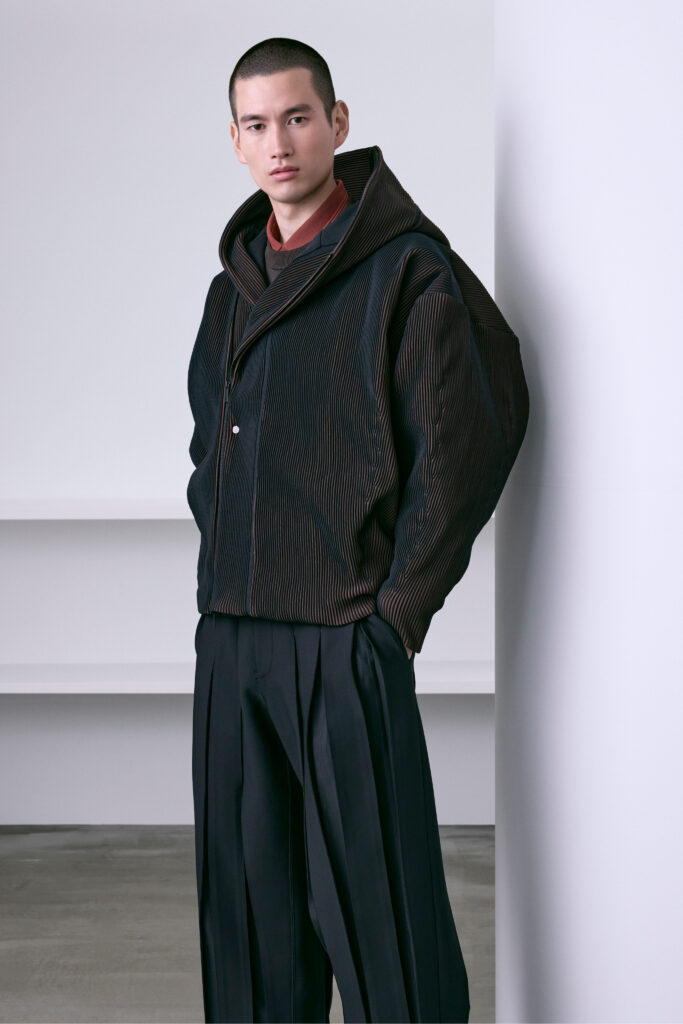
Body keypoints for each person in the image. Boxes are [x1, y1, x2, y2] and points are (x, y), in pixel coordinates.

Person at [186, 36, 529, 1024]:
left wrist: (393, 614)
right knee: (248, 929)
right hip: (234, 638)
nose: (279, 142)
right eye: (257, 124)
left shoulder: (407, 273)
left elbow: (464, 446)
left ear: (336, 123)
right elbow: (212, 441)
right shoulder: (230, 288)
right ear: (236, 142)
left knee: (384, 929)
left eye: (298, 117)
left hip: (343, 640)